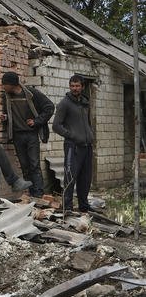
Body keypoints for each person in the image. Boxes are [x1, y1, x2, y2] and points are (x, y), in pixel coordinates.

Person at [0, 71, 55, 198]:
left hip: (31, 135)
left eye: (4, 84)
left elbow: (49, 107)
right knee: (24, 165)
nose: (3, 87)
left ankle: (38, 193)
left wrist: (37, 121)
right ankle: (30, 194)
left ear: (12, 84)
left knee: (34, 164)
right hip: (17, 136)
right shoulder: (7, 96)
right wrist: (5, 117)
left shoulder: (31, 94)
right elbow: (8, 113)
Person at [52, 74, 94, 212]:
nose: (74, 88)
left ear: (82, 87)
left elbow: (86, 123)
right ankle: (67, 207)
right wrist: (72, 136)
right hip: (73, 146)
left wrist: (89, 135)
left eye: (77, 86)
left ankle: (84, 206)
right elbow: (56, 126)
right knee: (70, 177)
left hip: (87, 146)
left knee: (85, 178)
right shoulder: (65, 103)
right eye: (72, 86)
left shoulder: (84, 102)